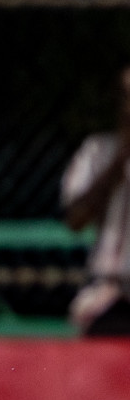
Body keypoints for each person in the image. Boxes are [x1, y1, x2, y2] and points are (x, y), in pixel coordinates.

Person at [62, 66, 130, 336]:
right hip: (108, 295)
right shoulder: (95, 151)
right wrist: (118, 164)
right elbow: (75, 220)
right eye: (126, 96)